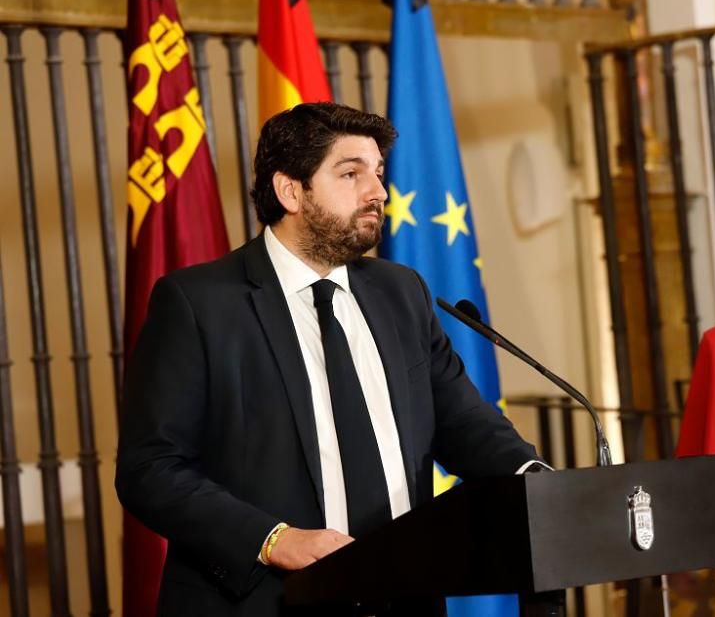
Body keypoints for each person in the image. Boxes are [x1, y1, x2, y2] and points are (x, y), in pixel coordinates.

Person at [116, 102, 544, 616]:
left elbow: (465, 425)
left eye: (379, 173)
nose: (378, 192)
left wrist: (539, 481)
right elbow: (150, 468)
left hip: (403, 595)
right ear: (290, 191)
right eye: (351, 173)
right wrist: (274, 540)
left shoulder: (400, 292)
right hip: (267, 599)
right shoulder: (199, 303)